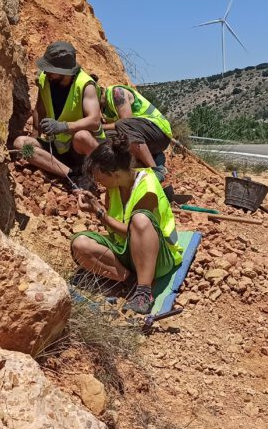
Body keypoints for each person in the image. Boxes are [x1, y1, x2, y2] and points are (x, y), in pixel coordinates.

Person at [71, 134, 184, 314]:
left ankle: (144, 291)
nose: (99, 183)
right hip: (127, 252)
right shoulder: (113, 188)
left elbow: (132, 232)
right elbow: (114, 228)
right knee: (80, 244)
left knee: (140, 219)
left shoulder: (147, 187)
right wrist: (97, 209)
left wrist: (99, 213)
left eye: (101, 178)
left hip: (157, 257)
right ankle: (130, 280)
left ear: (115, 174)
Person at [13, 41, 104, 184]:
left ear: (63, 71)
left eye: (50, 69)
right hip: (57, 146)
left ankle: (93, 173)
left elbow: (94, 121)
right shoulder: (45, 79)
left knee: (82, 136)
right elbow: (40, 109)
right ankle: (71, 174)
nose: (46, 72)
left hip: (81, 151)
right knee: (21, 144)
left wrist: (62, 126)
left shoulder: (86, 85)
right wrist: (36, 135)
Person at [98, 83, 174, 183]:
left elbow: (126, 121)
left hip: (160, 131)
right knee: (107, 137)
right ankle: (150, 160)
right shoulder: (104, 108)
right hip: (148, 135)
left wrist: (101, 127)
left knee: (122, 125)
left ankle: (155, 170)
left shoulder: (117, 93)